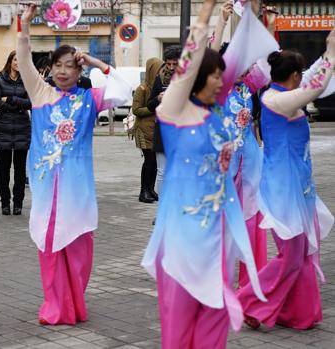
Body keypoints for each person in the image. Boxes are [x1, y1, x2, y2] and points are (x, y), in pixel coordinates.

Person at [141, 1, 276, 347]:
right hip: (182, 238)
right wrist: (209, 14)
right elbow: (195, 60)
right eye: (215, 75)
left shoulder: (216, 112)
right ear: (196, 78)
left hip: (216, 234)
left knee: (216, 315)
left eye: (223, 75)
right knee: (181, 323)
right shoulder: (175, 112)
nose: (222, 80)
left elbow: (252, 58)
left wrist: (257, 17)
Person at [18, 4, 133, 325]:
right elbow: (24, 59)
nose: (64, 71)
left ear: (79, 71)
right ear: (51, 69)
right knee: (51, 248)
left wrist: (96, 61)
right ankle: (55, 306)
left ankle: (74, 303)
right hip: (47, 192)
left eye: (71, 66)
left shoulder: (89, 100)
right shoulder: (40, 94)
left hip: (79, 192)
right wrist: (24, 26)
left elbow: (124, 91)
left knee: (81, 251)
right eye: (59, 65)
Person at [238, 32, 335, 330]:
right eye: (300, 75)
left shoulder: (282, 93)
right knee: (292, 256)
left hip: (300, 189)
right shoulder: (273, 99)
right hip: (282, 191)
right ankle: (246, 303)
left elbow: (315, 76)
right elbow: (313, 89)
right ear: (294, 75)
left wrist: (330, 48)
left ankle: (298, 314)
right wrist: (331, 54)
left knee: (303, 254)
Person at [211, 0, 269, 287]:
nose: (246, 67)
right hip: (222, 166)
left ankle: (251, 285)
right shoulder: (218, 88)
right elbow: (207, 58)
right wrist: (221, 22)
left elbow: (267, 59)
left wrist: (252, 16)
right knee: (220, 223)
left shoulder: (251, 85)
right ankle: (218, 282)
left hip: (250, 164)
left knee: (251, 223)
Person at [0, 50, 31, 215]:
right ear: (10, 61)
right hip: (4, 129)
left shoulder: (28, 80)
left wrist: (12, 100)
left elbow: (31, 102)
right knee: (4, 169)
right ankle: (5, 203)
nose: (18, 63)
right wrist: (18, 106)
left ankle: (18, 203)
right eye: (15, 60)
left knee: (20, 170)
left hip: (22, 128)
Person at [147, 45, 181, 195]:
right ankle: (162, 212)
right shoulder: (160, 78)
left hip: (182, 130)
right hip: (162, 130)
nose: (172, 67)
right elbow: (149, 105)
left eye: (175, 63)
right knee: (162, 171)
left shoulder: (188, 79)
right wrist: (158, 98)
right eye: (169, 64)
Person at [132, 58, 163, 204]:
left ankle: (151, 189)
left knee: (156, 163)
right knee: (149, 161)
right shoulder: (142, 89)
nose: (159, 73)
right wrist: (153, 108)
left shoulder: (159, 88)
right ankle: (143, 191)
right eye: (157, 70)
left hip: (155, 130)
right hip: (143, 131)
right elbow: (136, 110)